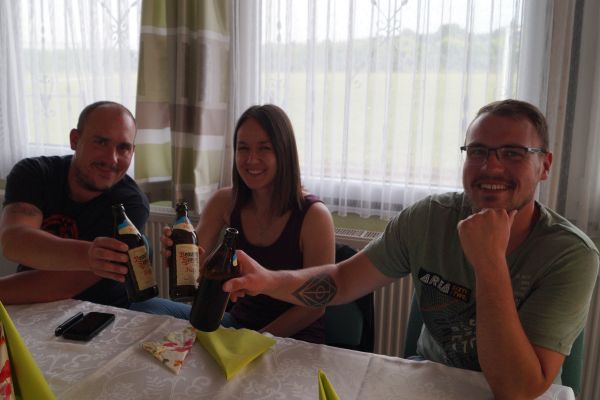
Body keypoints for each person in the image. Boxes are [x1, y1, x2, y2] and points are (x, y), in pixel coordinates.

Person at [223, 99, 599, 399]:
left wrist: (489, 261)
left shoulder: (570, 255)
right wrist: (268, 280)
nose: (492, 166)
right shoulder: (428, 219)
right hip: (430, 381)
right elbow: (341, 281)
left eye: (513, 153)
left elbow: (516, 391)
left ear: (544, 165)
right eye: (478, 151)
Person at [0, 101, 190, 319]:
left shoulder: (130, 203)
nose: (112, 159)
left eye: (123, 147)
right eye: (101, 142)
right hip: (29, 303)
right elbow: (14, 241)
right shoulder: (33, 173)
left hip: (105, 313)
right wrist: (90, 254)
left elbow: (66, 285)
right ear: (75, 140)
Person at [162, 104, 335, 342]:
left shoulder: (315, 216)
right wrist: (178, 257)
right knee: (147, 308)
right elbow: (195, 270)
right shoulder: (224, 201)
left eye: (264, 148)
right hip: (237, 325)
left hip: (295, 338)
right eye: (243, 148)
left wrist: (256, 342)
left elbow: (315, 307)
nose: (251, 159)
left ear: (284, 153)